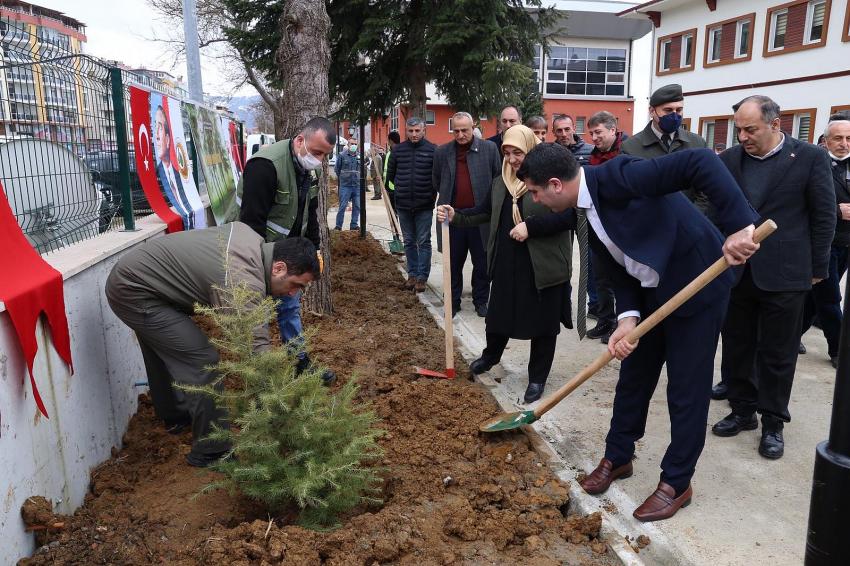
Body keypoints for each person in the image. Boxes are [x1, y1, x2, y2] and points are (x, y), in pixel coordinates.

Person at [517, 142, 759, 522]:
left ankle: (677, 482)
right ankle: (618, 457)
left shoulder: (620, 176)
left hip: (697, 283)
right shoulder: (584, 207)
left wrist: (742, 227)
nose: (534, 200)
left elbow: (698, 162)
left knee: (685, 388)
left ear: (554, 184)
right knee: (633, 376)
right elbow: (619, 264)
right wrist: (627, 317)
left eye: (533, 192)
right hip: (651, 292)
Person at [106, 223, 321, 467]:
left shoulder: (251, 240)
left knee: (170, 348)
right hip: (134, 291)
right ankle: (212, 451)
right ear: (279, 267)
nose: (293, 294)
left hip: (141, 278)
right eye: (296, 285)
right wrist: (281, 409)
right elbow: (255, 350)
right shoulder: (242, 279)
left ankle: (176, 416)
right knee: (201, 360)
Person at [712, 95, 835, 460]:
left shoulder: (809, 158)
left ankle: (773, 422)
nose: (743, 136)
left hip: (787, 272)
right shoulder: (731, 160)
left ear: (775, 124)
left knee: (778, 352)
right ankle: (742, 410)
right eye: (739, 129)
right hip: (738, 271)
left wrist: (818, 269)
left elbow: (824, 215)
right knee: (737, 344)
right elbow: (717, 210)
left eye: (751, 129)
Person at [437, 126, 573, 404]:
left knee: (542, 323)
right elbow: (485, 212)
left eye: (518, 153)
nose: (512, 159)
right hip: (507, 260)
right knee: (499, 314)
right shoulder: (501, 182)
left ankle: (537, 377)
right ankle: (491, 355)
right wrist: (457, 215)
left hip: (543, 265)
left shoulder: (551, 179)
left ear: (532, 150)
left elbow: (570, 216)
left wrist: (531, 227)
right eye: (507, 153)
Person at [237, 116, 337, 385]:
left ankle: (299, 362)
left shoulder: (310, 171)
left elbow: (311, 214)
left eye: (325, 155)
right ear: (300, 140)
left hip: (288, 255)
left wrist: (314, 250)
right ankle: (256, 372)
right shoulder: (265, 166)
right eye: (316, 152)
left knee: (290, 308)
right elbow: (250, 222)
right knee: (255, 313)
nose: (319, 159)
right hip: (256, 254)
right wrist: (261, 264)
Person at [433, 112, 501, 317]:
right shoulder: (443, 152)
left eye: (465, 130)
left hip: (481, 219)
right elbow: (436, 180)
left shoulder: (489, 149)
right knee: (452, 264)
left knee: (483, 263)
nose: (461, 134)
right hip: (453, 219)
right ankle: (453, 302)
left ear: (474, 127)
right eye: (457, 130)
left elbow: (497, 178)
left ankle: (481, 301)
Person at [800, 118, 850, 369]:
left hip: (846, 243)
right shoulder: (813, 164)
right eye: (838, 138)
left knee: (815, 295)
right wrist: (838, 212)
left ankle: (793, 333)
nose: (843, 144)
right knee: (831, 297)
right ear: (826, 140)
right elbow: (802, 203)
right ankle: (838, 349)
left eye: (848, 138)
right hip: (823, 243)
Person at [621, 84, 710, 214]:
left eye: (679, 110)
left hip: (691, 225)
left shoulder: (697, 144)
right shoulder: (630, 148)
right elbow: (629, 194)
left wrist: (692, 218)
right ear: (652, 111)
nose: (674, 116)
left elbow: (706, 190)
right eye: (668, 110)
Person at [583, 111, 627, 343]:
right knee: (600, 277)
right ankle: (605, 320)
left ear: (613, 130)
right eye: (591, 134)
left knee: (622, 278)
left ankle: (622, 323)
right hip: (599, 225)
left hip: (623, 227)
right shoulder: (593, 156)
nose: (594, 138)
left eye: (598, 132)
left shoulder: (629, 151)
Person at [386, 117, 438, 293]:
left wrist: (430, 194)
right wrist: (400, 191)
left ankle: (422, 278)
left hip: (424, 205)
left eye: (417, 131)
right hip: (404, 205)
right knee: (408, 241)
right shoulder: (398, 151)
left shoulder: (433, 150)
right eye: (410, 131)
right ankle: (413, 275)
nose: (414, 134)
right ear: (406, 131)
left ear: (424, 130)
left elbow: (436, 177)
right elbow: (391, 176)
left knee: (423, 242)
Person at [153, 105, 192, 226]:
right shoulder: (157, 173)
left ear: (168, 139)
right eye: (154, 128)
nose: (156, 136)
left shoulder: (181, 173)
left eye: (160, 128)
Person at [334, 141, 361, 230]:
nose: (354, 145)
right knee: (343, 206)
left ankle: (354, 225)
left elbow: (362, 169)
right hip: (345, 185)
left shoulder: (359, 156)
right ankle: (338, 225)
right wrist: (343, 178)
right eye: (352, 143)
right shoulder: (342, 155)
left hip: (356, 185)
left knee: (357, 206)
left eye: (355, 144)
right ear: (348, 145)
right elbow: (337, 169)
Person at [383, 130, 401, 211]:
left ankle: (395, 223)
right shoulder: (389, 153)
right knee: (393, 211)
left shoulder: (396, 153)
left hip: (393, 188)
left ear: (390, 141)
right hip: (389, 187)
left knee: (395, 211)